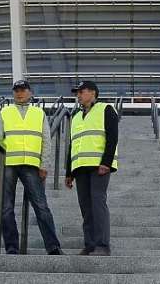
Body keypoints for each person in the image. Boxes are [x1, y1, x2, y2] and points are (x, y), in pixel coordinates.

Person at [0, 80, 63, 255]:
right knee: (6, 207)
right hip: (8, 164)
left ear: (30, 93)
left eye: (23, 90)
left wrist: (44, 164)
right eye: (16, 90)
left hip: (31, 165)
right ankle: (12, 247)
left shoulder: (39, 113)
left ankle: (53, 246)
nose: (19, 93)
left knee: (41, 205)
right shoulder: (5, 112)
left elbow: (46, 140)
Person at [65, 80, 119, 256]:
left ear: (93, 93)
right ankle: (89, 244)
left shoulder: (106, 109)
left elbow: (112, 138)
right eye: (77, 92)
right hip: (80, 168)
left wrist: (106, 162)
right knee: (85, 207)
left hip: (99, 166)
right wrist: (68, 172)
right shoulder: (75, 116)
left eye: (82, 91)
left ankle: (102, 245)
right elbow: (72, 145)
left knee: (97, 203)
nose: (78, 95)